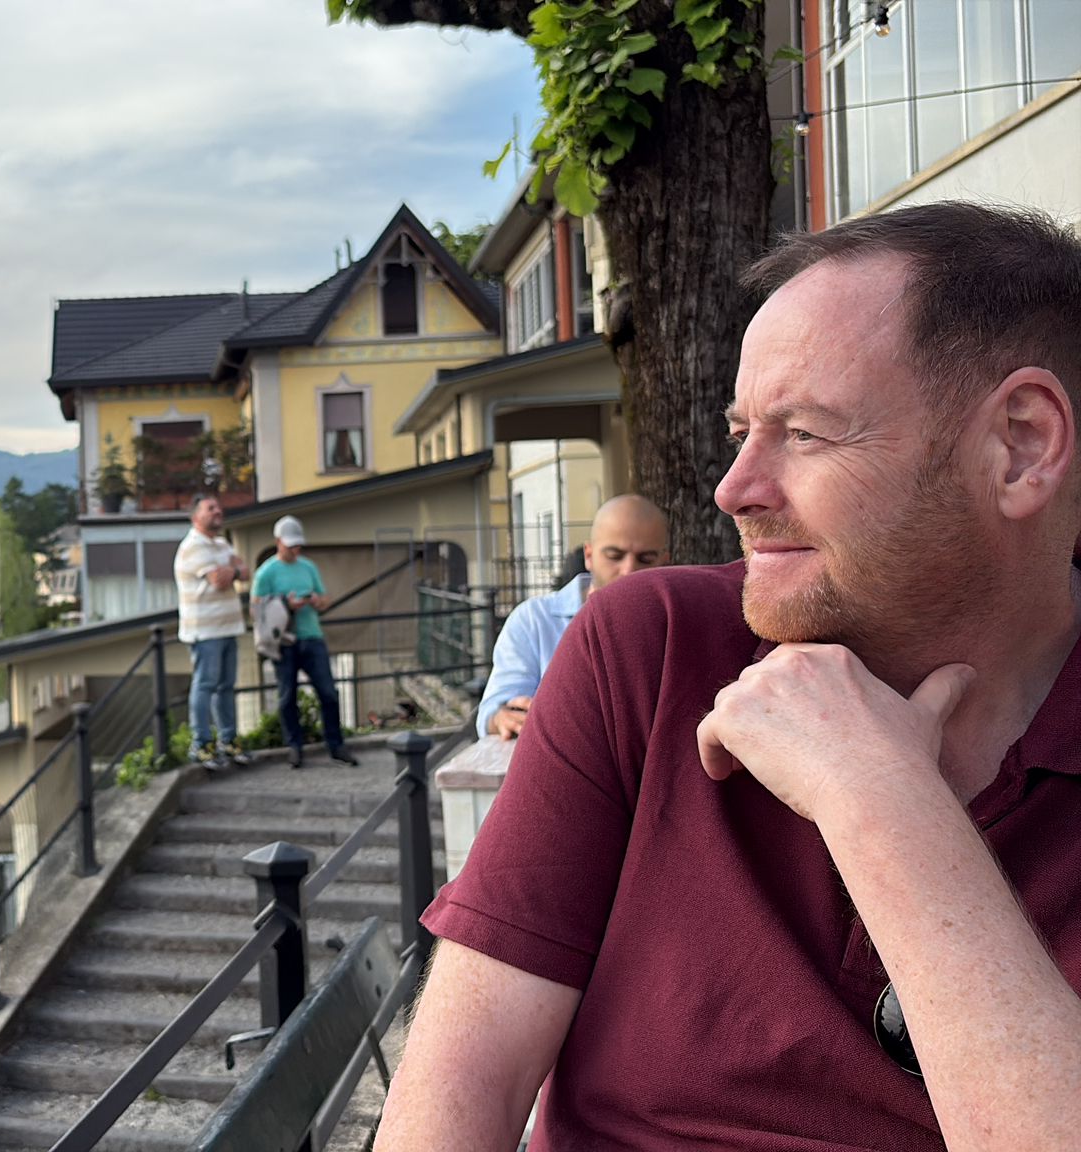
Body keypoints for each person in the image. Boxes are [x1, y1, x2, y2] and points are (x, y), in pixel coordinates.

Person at [378, 202, 1081, 1150]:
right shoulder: (655, 649)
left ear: (1023, 444)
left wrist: (881, 801)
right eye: (742, 429)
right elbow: (451, 1102)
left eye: (805, 432)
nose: (735, 488)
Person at [475, 494, 670, 739]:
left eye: (645, 559)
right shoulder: (534, 620)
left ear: (665, 562)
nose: (628, 570)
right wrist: (503, 717)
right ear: (588, 555)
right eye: (614, 556)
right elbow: (494, 711)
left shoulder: (680, 625)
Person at [251, 515, 360, 769]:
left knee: (329, 692)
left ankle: (336, 745)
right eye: (290, 545)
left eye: (297, 545)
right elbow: (256, 610)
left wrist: (315, 601)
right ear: (278, 542)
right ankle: (294, 747)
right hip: (284, 641)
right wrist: (285, 605)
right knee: (287, 696)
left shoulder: (308, 567)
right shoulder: (266, 572)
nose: (295, 550)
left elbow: (325, 599)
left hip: (312, 635)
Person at [174, 494, 251, 770]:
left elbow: (245, 570)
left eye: (219, 506)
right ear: (196, 517)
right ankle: (202, 743)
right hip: (205, 631)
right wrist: (233, 570)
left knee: (226, 687)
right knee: (205, 685)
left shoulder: (220, 543)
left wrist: (232, 570)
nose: (218, 511)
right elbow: (220, 580)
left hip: (228, 627)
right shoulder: (193, 547)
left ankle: (228, 740)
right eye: (210, 508)